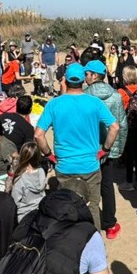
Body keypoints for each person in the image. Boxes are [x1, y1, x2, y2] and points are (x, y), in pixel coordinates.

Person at [33, 63, 120, 229]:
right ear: (83, 80)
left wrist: (48, 154)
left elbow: (38, 135)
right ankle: (94, 243)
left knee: (67, 206)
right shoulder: (94, 102)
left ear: (65, 79)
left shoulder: (54, 104)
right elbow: (115, 127)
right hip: (90, 164)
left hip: (64, 165)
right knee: (92, 206)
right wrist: (105, 150)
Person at [84, 60, 127, 241]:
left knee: (86, 184)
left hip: (89, 147)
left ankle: (87, 221)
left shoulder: (84, 96)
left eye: (87, 74)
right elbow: (121, 125)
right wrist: (118, 150)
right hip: (108, 149)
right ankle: (109, 224)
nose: (85, 77)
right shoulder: (116, 96)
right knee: (107, 186)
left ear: (94, 75)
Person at [10, 142, 48, 220]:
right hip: (40, 213)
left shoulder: (20, 179)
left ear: (22, 156)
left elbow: (14, 201)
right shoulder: (41, 171)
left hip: (24, 217)